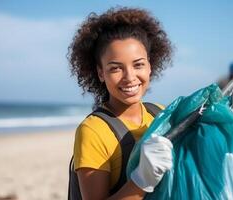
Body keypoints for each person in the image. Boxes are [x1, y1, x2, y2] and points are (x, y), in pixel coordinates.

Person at [68, 7, 174, 200]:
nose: (129, 77)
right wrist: (141, 181)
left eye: (138, 64)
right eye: (116, 68)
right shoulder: (92, 131)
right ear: (101, 73)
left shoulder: (160, 113)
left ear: (149, 66)